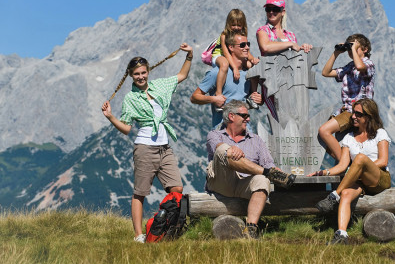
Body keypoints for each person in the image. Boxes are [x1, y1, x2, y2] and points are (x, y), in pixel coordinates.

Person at [101, 44, 193, 243]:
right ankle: (138, 235)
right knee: (140, 192)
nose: (141, 76)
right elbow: (126, 128)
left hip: (165, 146)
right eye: (136, 74)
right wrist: (110, 117)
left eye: (143, 72)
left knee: (176, 189)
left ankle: (163, 225)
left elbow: (182, 76)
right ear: (131, 76)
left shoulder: (160, 85)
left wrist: (190, 56)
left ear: (148, 71)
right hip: (144, 148)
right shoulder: (130, 98)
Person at [206, 100, 296, 238]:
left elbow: (269, 164)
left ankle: (251, 229)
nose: (248, 119)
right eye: (244, 116)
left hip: (245, 185)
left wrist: (281, 174)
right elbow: (219, 149)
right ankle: (267, 174)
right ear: (231, 116)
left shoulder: (256, 140)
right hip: (221, 183)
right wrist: (230, 149)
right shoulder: (215, 135)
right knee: (223, 150)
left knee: (261, 180)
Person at [312, 98, 391, 245]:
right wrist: (322, 173)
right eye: (354, 113)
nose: (353, 116)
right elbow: (342, 166)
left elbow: (383, 161)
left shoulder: (380, 133)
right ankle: (342, 234)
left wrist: (362, 166)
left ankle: (334, 195)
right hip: (359, 180)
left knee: (359, 159)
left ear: (368, 117)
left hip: (379, 179)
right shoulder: (349, 138)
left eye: (358, 114)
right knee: (347, 194)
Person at [318, 34, 375, 161]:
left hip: (358, 111)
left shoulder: (368, 63)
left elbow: (360, 67)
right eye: (349, 49)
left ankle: (345, 163)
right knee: (325, 140)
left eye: (354, 47)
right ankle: (345, 162)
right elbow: (326, 72)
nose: (350, 51)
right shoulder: (349, 66)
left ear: (365, 49)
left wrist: (353, 49)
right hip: (346, 110)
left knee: (324, 131)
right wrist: (336, 53)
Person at [255, 0, 312, 119]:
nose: (271, 12)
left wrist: (304, 48)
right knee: (280, 120)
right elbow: (265, 47)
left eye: (275, 9)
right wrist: (290, 44)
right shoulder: (263, 31)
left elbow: (295, 57)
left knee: (294, 119)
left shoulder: (290, 35)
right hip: (271, 82)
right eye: (268, 9)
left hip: (290, 84)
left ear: (283, 12)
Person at [191, 30, 262, 129]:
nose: (247, 47)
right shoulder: (216, 73)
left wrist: (259, 99)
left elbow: (252, 100)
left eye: (248, 44)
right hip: (222, 134)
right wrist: (214, 99)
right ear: (231, 48)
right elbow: (194, 97)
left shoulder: (249, 74)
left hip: (246, 133)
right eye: (242, 45)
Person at [207, 9, 260, 110]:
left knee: (252, 68)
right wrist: (235, 68)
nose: (236, 28)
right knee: (224, 64)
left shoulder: (241, 36)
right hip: (219, 55)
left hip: (232, 57)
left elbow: (246, 52)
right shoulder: (224, 36)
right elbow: (226, 53)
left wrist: (253, 60)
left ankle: (253, 94)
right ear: (228, 24)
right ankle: (218, 94)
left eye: (239, 25)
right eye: (233, 25)